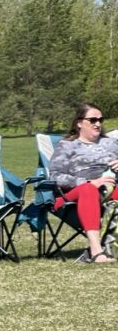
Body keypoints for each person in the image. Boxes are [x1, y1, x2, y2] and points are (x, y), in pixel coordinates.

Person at [49, 103, 118, 263]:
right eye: (92, 120)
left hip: (111, 188)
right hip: (74, 194)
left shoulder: (111, 143)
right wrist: (90, 181)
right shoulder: (67, 146)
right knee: (88, 189)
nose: (98, 124)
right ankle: (96, 251)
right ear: (79, 123)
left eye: (101, 119)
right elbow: (54, 176)